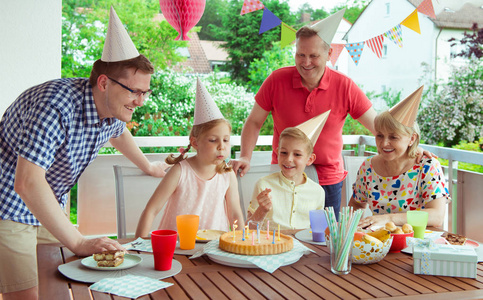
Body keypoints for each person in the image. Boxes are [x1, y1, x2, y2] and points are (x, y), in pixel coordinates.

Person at [0, 7, 169, 300]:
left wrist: (149, 166)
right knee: (26, 295)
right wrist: (78, 240)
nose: (140, 101)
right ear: (104, 83)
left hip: (47, 205)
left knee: (69, 280)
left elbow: (119, 134)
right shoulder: (54, 106)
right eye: (134, 92)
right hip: (8, 204)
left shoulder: (114, 109)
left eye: (146, 92)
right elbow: (26, 183)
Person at [231, 9, 377, 219]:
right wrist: (245, 155)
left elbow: (379, 126)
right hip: (285, 173)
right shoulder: (276, 80)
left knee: (324, 240)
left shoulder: (345, 85)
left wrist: (411, 148)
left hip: (328, 179)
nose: (306, 62)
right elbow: (254, 122)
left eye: (313, 56)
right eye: (301, 54)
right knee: (280, 232)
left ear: (329, 54)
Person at [136, 79, 245, 237]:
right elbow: (151, 210)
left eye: (226, 140)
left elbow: (235, 215)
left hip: (213, 246)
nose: (222, 146)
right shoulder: (180, 172)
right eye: (213, 140)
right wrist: (138, 245)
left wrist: (241, 243)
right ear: (195, 142)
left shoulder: (227, 175)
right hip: (178, 247)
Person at [349, 86, 450, 228]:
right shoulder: (368, 167)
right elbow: (356, 204)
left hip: (417, 244)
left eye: (393, 137)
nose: (384, 143)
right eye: (379, 135)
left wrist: (388, 219)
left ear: (412, 139)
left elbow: (436, 216)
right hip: (379, 244)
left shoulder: (427, 165)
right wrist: (351, 230)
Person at [246, 112, 329, 230]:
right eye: (284, 153)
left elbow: (318, 232)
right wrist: (261, 210)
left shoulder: (318, 192)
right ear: (277, 153)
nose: (289, 159)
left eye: (297, 154)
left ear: (310, 159)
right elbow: (249, 230)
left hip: (303, 247)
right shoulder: (263, 185)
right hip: (270, 246)